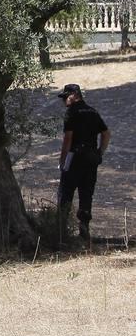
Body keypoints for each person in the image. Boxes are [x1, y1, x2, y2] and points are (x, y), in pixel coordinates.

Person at [56, 83, 111, 242]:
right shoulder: (93, 112)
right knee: (86, 192)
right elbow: (106, 134)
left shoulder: (71, 112)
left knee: (66, 192)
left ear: (74, 95)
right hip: (91, 158)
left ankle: (60, 230)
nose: (64, 101)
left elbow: (68, 138)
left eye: (65, 97)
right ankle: (84, 227)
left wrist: (63, 160)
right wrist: (99, 152)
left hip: (75, 157)